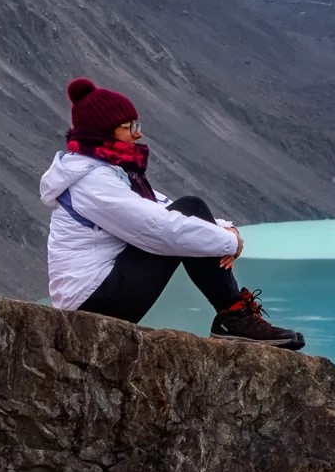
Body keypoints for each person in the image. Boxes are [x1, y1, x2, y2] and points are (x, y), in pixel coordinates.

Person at [39, 77, 303, 348]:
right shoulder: (91, 181)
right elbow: (157, 228)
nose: (138, 134)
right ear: (104, 130)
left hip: (97, 293)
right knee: (190, 209)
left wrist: (224, 231)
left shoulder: (106, 171)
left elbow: (159, 207)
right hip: (90, 304)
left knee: (191, 212)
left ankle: (233, 315)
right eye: (130, 127)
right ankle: (233, 316)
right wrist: (229, 242)